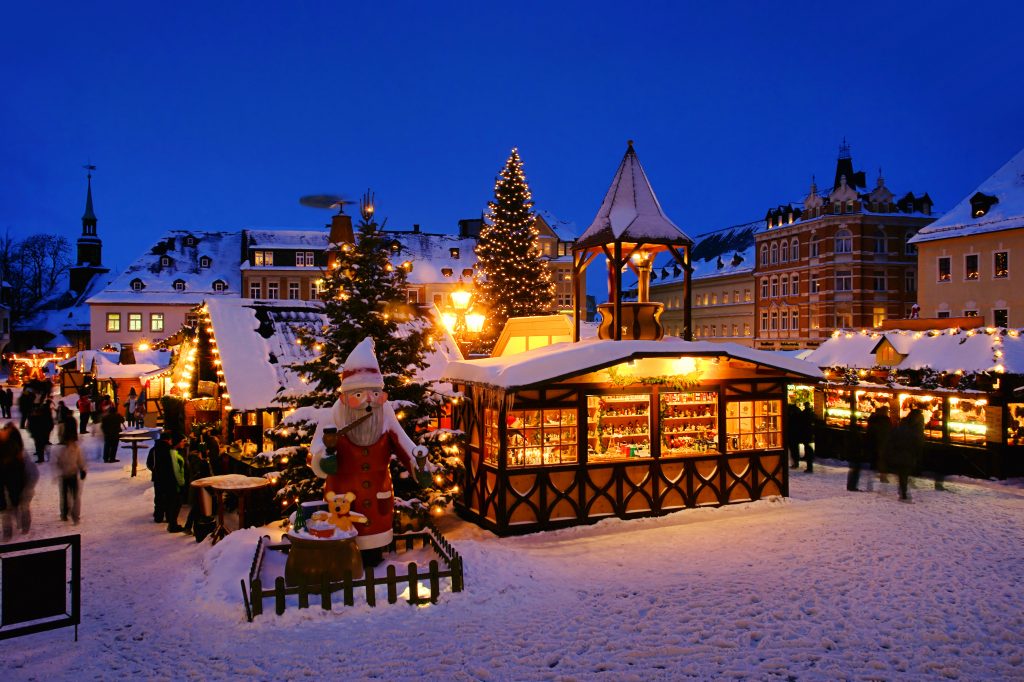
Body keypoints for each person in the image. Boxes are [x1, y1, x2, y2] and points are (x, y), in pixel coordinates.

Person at [309, 337, 422, 567]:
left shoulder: (384, 413)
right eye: (359, 395)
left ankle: (375, 562)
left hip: (379, 496)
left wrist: (418, 463)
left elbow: (404, 443)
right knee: (348, 542)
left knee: (375, 554)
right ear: (344, 396)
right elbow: (315, 451)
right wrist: (323, 459)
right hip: (343, 497)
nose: (368, 401)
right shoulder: (334, 416)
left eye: (374, 393)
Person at [887, 405, 925, 502]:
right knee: (905, 473)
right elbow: (917, 444)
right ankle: (903, 490)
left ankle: (903, 489)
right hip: (908, 455)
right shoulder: (914, 431)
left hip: (899, 455)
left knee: (902, 474)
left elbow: (891, 441)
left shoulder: (898, 429)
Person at [853, 405, 891, 492]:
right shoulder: (884, 420)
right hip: (881, 442)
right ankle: (882, 476)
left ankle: (876, 471)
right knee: (882, 459)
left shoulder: (874, 419)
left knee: (877, 457)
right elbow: (885, 431)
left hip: (875, 441)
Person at [152, 432, 185, 532]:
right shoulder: (170, 452)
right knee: (174, 502)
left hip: (159, 478)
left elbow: (151, 463)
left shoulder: (155, 449)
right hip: (169, 480)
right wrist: (181, 482)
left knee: (161, 498)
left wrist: (155, 472)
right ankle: (172, 523)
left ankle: (159, 517)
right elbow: (175, 470)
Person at [0, 423, 28, 540]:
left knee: (15, 499)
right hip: (5, 474)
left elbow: (20, 462)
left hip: (13, 474)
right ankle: (7, 531)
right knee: (3, 505)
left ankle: (20, 522)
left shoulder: (13, 444)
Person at [56, 427, 87, 523]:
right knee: (65, 496)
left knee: (75, 496)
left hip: (73, 474)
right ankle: (64, 513)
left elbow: (80, 460)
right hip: (65, 476)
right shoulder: (61, 450)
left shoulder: (76, 449)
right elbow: (57, 462)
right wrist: (59, 471)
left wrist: (82, 469)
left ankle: (75, 515)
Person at [147, 431, 173, 523]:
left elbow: (149, 464)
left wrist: (155, 470)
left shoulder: (154, 449)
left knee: (158, 497)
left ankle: (158, 516)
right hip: (168, 477)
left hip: (157, 477)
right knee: (168, 497)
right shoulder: (170, 450)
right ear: (168, 440)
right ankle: (169, 517)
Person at [799, 402, 816, 473]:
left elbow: (801, 422)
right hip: (809, 432)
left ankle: (809, 466)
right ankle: (810, 461)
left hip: (805, 432)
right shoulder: (812, 413)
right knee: (808, 446)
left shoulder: (804, 413)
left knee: (807, 446)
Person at [786, 402, 803, 469]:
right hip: (796, 434)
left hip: (791, 434)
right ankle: (796, 462)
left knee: (793, 449)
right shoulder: (798, 412)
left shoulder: (791, 415)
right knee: (795, 449)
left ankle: (795, 463)